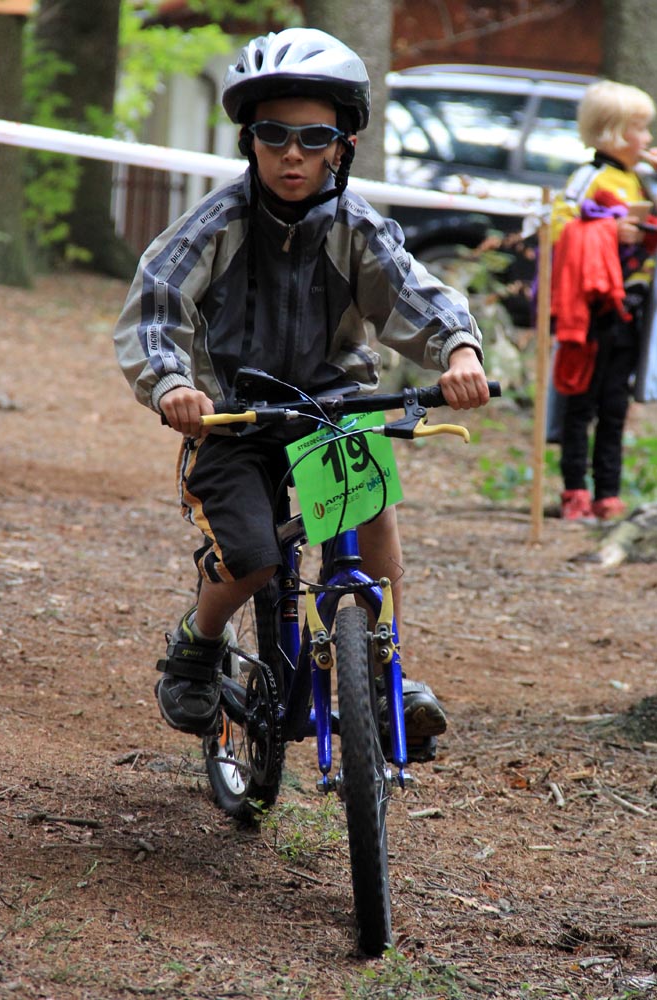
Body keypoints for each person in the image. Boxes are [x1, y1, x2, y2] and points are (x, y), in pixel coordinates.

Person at [114, 28, 489, 759]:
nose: (293, 153)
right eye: (274, 135)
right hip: (232, 416)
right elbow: (156, 307)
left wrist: (460, 351)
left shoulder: (357, 228)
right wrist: (173, 385)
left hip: (331, 410)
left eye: (313, 137)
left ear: (342, 147)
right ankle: (198, 641)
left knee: (371, 509)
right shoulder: (215, 224)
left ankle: (385, 671)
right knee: (253, 556)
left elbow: (415, 295)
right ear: (249, 141)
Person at [550, 79, 657, 521]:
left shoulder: (641, 181)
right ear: (613, 132)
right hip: (593, 310)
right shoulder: (589, 177)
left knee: (615, 405)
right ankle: (575, 490)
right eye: (641, 129)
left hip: (631, 310)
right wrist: (609, 230)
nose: (647, 138)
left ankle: (607, 493)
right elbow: (558, 227)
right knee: (582, 402)